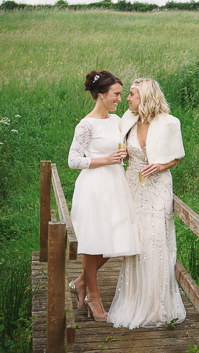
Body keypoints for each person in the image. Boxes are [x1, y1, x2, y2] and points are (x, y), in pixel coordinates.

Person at [107, 78, 187, 329]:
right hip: (133, 184)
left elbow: (178, 157)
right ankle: (133, 300)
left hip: (158, 186)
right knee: (136, 240)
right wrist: (121, 155)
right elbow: (124, 152)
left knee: (155, 240)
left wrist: (161, 166)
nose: (127, 98)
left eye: (132, 94)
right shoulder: (128, 120)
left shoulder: (170, 123)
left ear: (145, 97)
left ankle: (156, 305)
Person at [68, 70, 140, 322]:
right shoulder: (86, 125)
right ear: (101, 94)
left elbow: (121, 148)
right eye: (116, 94)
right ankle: (94, 297)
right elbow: (73, 160)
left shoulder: (116, 119)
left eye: (121, 94)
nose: (120, 98)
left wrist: (123, 155)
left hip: (116, 184)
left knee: (118, 237)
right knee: (93, 242)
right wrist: (105, 160)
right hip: (94, 187)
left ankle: (80, 282)